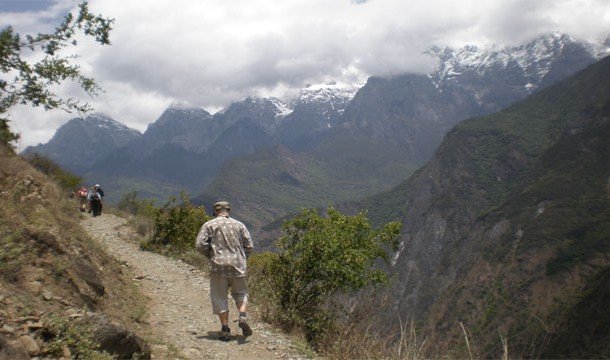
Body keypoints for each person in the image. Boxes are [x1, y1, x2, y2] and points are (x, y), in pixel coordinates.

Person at [195, 201, 254, 341]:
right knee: (241, 293)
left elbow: (199, 245)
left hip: (218, 267)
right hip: (238, 266)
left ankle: (225, 329)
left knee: (220, 297)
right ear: (229, 211)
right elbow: (249, 246)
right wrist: (242, 258)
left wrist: (210, 254)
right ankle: (242, 316)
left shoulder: (209, 225)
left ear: (215, 212)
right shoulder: (240, 225)